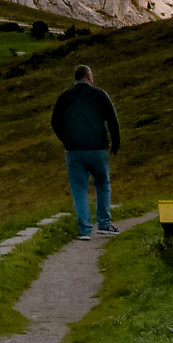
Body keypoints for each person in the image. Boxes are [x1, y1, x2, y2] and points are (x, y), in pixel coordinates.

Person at [50, 63, 120, 238]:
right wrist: (115, 144)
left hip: (74, 151)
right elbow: (112, 120)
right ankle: (104, 224)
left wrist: (66, 139)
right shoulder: (100, 95)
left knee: (79, 189)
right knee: (103, 184)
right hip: (98, 148)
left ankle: (85, 229)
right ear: (89, 76)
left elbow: (55, 122)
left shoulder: (65, 97)